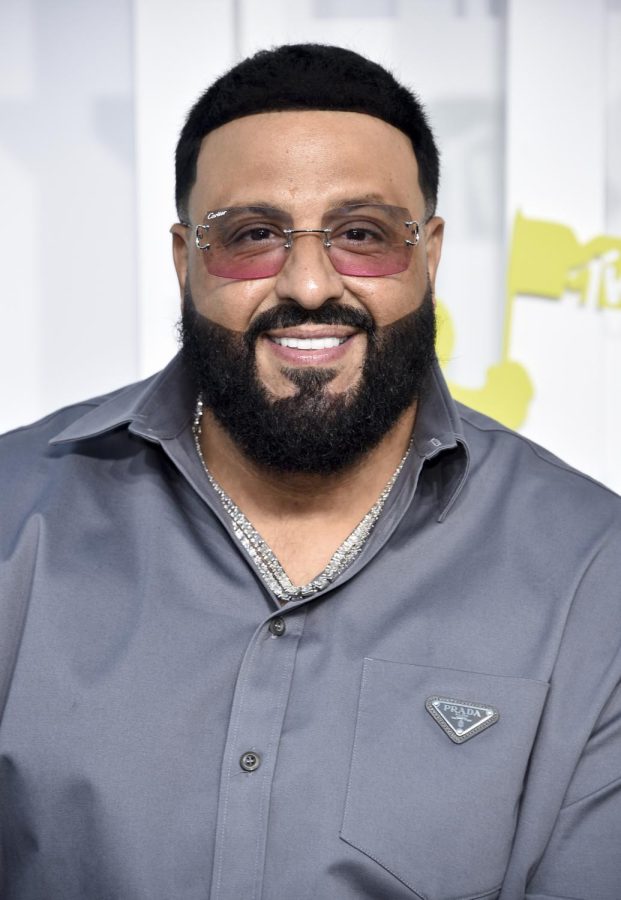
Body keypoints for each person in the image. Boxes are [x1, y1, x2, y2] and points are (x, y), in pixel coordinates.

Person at [0, 43, 620, 900]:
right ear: (183, 262)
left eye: (361, 235)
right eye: (252, 236)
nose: (308, 282)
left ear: (429, 254)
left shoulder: (594, 575)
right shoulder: (13, 515)